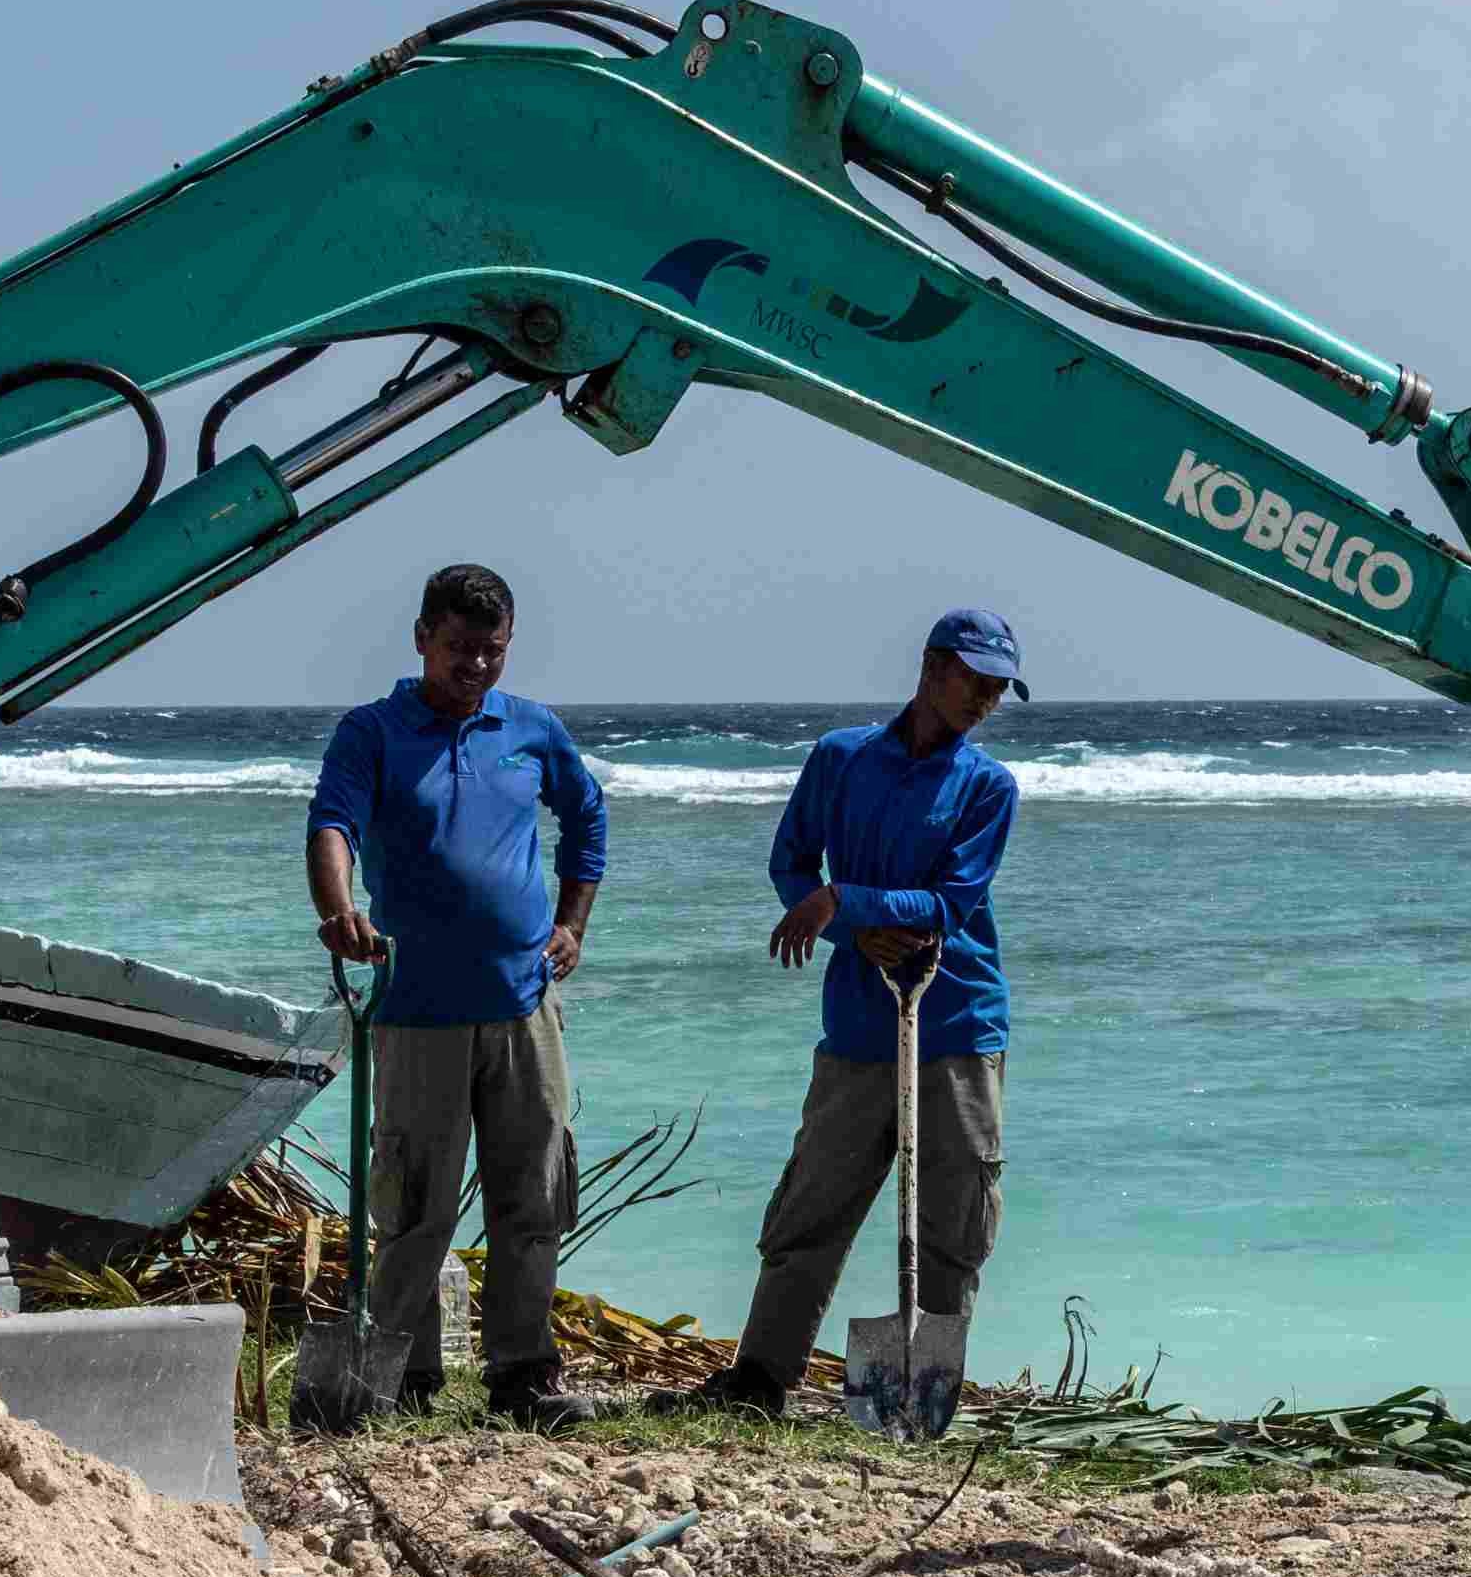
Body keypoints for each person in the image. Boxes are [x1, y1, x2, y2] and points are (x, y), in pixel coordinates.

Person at [682, 610, 1026, 1419]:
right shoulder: (841, 759)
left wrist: (846, 898)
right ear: (931, 667)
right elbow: (790, 861)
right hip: (858, 1026)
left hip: (956, 1025)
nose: (983, 699)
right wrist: (845, 924)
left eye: (997, 689)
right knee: (811, 1208)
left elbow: (952, 902)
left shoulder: (987, 787)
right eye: (972, 680)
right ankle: (760, 1382)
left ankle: (920, 1397)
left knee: (952, 1226)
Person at [303, 562, 608, 1430]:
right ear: (421, 640)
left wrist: (573, 922)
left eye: (492, 650)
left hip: (523, 1002)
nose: (475, 667)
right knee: (414, 1204)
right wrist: (340, 911)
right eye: (459, 649)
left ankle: (525, 1377)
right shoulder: (372, 732)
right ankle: (404, 1377)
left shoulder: (532, 729)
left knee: (535, 1196)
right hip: (415, 1010)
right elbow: (333, 825)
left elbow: (587, 817)